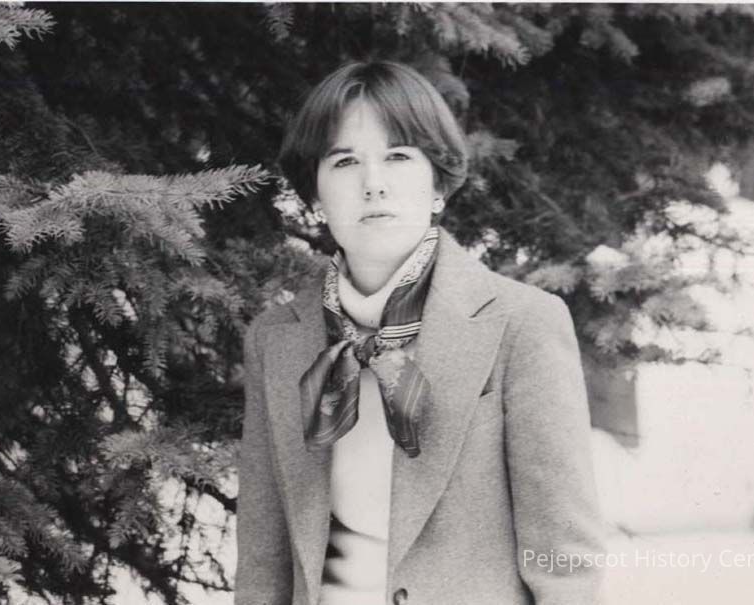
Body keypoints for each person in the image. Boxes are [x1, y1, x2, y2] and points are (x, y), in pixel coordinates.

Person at [236, 60, 604, 605]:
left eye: (399, 156)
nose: (373, 184)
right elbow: (261, 568)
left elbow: (566, 565)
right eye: (344, 161)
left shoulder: (521, 322)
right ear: (314, 196)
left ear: (439, 185)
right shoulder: (276, 339)